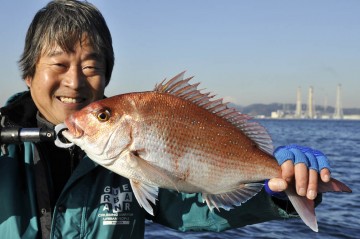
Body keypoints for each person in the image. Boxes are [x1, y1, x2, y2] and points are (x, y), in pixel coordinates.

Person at [0, 0, 331, 238]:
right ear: (28, 74)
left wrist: (275, 191)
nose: (74, 82)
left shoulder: (119, 159)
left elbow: (191, 207)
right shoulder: (5, 151)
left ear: (106, 78)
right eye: (59, 65)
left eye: (91, 67)